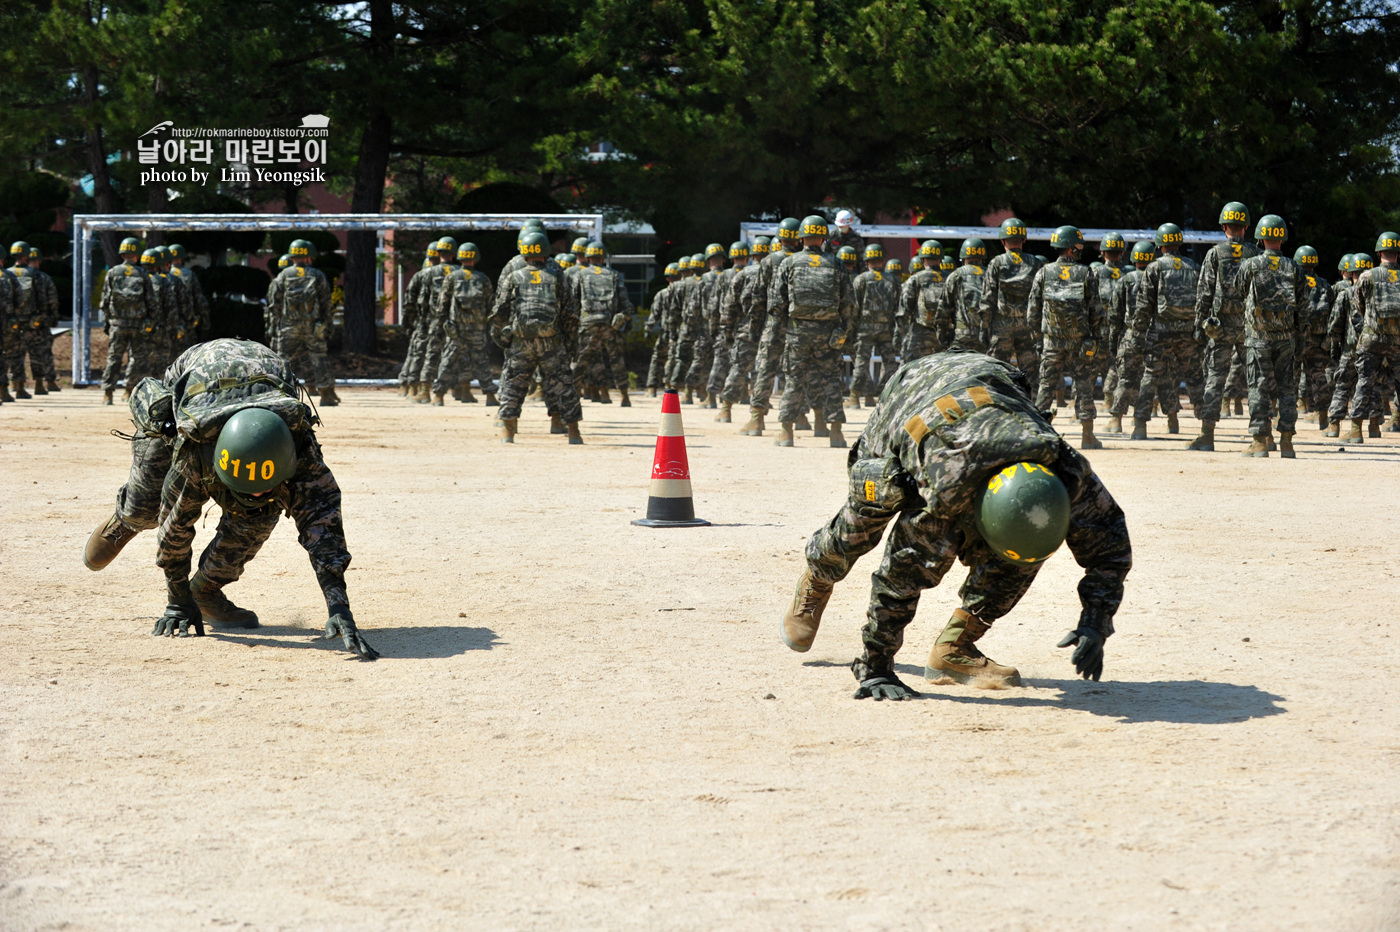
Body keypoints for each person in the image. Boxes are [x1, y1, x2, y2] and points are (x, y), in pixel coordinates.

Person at [779, 352, 1131, 698]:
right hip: (912, 395)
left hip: (989, 382)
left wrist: (1095, 620)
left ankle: (955, 649)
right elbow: (898, 579)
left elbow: (1109, 547)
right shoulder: (946, 493)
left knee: (1022, 551)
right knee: (864, 518)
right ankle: (818, 576)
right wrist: (876, 667)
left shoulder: (1064, 470)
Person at [81, 338, 378, 658]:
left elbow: (323, 525)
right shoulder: (197, 451)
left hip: (261, 389)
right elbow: (175, 527)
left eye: (267, 484)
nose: (259, 493)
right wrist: (177, 602)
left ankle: (206, 591)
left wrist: (338, 606)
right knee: (150, 506)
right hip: (191, 405)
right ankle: (127, 519)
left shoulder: (298, 448)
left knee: (259, 513)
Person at [767, 215, 855, 448]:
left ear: (801, 237)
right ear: (823, 238)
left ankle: (786, 433)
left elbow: (777, 304)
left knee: (794, 380)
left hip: (797, 334)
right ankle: (835, 433)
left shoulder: (789, 263)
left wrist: (778, 335)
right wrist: (842, 332)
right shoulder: (836, 263)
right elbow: (848, 304)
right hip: (828, 335)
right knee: (831, 381)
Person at [488, 230, 583, 444]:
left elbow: (499, 310)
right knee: (563, 385)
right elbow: (570, 313)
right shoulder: (557, 274)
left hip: (521, 341)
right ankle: (574, 432)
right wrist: (568, 342)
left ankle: (508, 432)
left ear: (524, 255)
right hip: (552, 341)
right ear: (546, 254)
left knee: (514, 384)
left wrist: (502, 339)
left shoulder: (514, 275)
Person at [1188, 202, 1261, 451]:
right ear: (1247, 227)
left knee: (1215, 379)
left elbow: (1204, 293)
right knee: (1255, 379)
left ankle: (1207, 435)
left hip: (1220, 327)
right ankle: (1262, 437)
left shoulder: (1215, 254)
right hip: (1250, 326)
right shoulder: (1255, 254)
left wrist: (1200, 325)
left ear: (1223, 226)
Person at [1232, 215, 1305, 456]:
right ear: (1282, 238)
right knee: (1287, 388)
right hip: (1285, 337)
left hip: (1258, 336)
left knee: (1258, 386)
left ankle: (1260, 441)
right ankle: (1287, 442)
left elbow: (1241, 292)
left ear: (1261, 238)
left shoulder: (1250, 265)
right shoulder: (1293, 267)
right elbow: (1302, 302)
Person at [1026, 225, 1104, 449]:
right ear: (1071, 248)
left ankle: (1039, 435)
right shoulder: (1086, 272)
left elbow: (1033, 310)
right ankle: (1087, 435)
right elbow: (1096, 310)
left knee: (1046, 386)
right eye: (1078, 245)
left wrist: (1038, 338)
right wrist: (1095, 338)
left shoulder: (1044, 272)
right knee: (1084, 385)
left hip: (1052, 340)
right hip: (1080, 340)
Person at [1126, 223, 1198, 440]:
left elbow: (1144, 305)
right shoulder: (1193, 266)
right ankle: (1207, 428)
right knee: (1195, 377)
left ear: (1159, 244)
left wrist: (1138, 335)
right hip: (1187, 331)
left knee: (1150, 376)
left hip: (1160, 331)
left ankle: (1140, 425)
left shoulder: (1154, 268)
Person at [745, 219, 803, 435]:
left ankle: (757, 418)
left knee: (766, 370)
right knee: (796, 370)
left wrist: (755, 326)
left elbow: (757, 297)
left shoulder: (769, 261)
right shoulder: (802, 260)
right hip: (798, 325)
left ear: (780, 237)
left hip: (773, 324)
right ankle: (800, 416)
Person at [266, 239, 339, 406]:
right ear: (309, 257)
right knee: (319, 357)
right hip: (313, 325)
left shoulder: (283, 275)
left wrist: (276, 325)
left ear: (292, 256)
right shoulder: (317, 275)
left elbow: (274, 303)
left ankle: (279, 394)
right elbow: (326, 303)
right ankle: (326, 394)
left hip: (289, 325)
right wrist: (328, 324)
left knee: (283, 360)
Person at [1344, 232, 1400, 442]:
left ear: (1378, 252)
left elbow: (1357, 304)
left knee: (1365, 381)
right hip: (1398, 340)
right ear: (1398, 254)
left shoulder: (1368, 276)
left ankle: (1356, 429)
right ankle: (1396, 419)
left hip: (1372, 337)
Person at [979, 218, 1043, 395]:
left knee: (995, 372)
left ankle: (996, 406)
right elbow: (1040, 298)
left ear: (1002, 241)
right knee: (1031, 373)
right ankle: (1034, 410)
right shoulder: (1036, 263)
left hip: (1002, 327)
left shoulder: (996, 263)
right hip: (1027, 327)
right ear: (1024, 240)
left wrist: (984, 327)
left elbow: (988, 298)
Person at [432, 242, 498, 406]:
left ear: (459, 257)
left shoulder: (452, 277)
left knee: (447, 360)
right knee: (481, 361)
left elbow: (442, 304)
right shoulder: (482, 278)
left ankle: (438, 396)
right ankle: (490, 395)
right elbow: (492, 304)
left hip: (456, 328)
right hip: (477, 328)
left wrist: (443, 323)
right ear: (475, 259)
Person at [98, 238, 163, 404]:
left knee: (114, 359)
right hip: (138, 325)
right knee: (139, 360)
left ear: (122, 254)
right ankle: (131, 392)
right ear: (136, 255)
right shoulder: (142, 274)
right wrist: (150, 322)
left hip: (117, 325)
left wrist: (108, 323)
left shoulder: (112, 273)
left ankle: (108, 394)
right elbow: (152, 303)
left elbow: (105, 301)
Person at [570, 240, 634, 406]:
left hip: (587, 323)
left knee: (580, 361)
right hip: (609, 324)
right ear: (603, 257)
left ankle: (572, 395)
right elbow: (626, 305)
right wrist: (622, 318)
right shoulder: (614, 274)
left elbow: (573, 303)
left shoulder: (580, 275)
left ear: (588, 257)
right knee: (616, 360)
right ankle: (624, 396)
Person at [1103, 241, 1156, 434]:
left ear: (1133, 258)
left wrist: (1113, 343)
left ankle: (1116, 420)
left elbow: (1115, 316)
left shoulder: (1125, 280)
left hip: (1130, 336)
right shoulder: (1157, 279)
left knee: (1124, 379)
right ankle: (1140, 425)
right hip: (1153, 336)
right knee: (1147, 380)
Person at [847, 242, 900, 407]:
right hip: (887, 329)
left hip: (865, 329)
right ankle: (881, 393)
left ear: (866, 261)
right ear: (883, 261)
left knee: (861, 363)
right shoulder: (893, 280)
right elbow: (899, 307)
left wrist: (852, 328)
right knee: (891, 363)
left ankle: (855, 397)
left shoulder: (860, 279)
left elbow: (854, 307)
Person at [5, 241, 60, 397]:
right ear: (27, 255)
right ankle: (39, 385)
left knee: (15, 354)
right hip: (34, 322)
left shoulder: (6, 274)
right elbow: (49, 299)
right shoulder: (38, 275)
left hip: (13, 322)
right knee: (37, 353)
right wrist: (46, 317)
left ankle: (18, 385)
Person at [1325, 254, 1366, 437]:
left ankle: (1334, 425)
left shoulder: (1346, 294)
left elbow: (1335, 323)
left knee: (1342, 386)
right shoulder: (1374, 291)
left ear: (1350, 272)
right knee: (1368, 386)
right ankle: (1372, 426)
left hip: (1350, 348)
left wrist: (1334, 344)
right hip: (1371, 347)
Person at [1292, 246, 1332, 428]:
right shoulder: (1325, 285)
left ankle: (1284, 419)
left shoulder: (1293, 282)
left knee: (1290, 379)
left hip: (1296, 339)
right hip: (1318, 341)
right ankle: (1323, 418)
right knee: (1319, 379)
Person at [715, 241, 754, 422]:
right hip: (768, 329)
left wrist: (726, 331)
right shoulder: (765, 272)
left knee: (737, 367)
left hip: (743, 330)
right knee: (766, 371)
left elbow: (723, 306)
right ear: (747, 257)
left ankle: (726, 409)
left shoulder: (726, 276)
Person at [400, 242, 440, 398]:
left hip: (423, 322)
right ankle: (411, 386)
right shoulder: (449, 273)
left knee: (417, 353)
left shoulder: (420, 275)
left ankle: (410, 386)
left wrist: (407, 323)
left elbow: (409, 302)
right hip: (435, 322)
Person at [935, 237, 988, 353]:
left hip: (962, 336)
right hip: (986, 335)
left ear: (963, 258)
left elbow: (943, 311)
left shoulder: (956, 275)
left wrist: (944, 339)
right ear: (982, 257)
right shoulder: (990, 274)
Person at [898, 240, 946, 361]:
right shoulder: (951, 277)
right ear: (941, 259)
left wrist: (901, 335)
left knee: (914, 371)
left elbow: (904, 310)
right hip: (944, 334)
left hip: (919, 334)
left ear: (922, 260)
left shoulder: (915, 279)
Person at [1094, 233, 1128, 408]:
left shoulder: (1094, 273)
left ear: (1102, 252)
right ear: (1122, 252)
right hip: (1121, 331)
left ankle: (1079, 409)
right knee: (1116, 367)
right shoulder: (1128, 274)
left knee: (1091, 366)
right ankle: (1110, 401)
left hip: (1098, 329)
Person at [167, 244, 210, 354]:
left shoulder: (164, 275)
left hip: (167, 321)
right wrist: (205, 320)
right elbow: (200, 300)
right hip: (187, 322)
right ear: (181, 258)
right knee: (187, 355)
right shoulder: (189, 274)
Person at [645, 263, 680, 397]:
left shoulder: (662, 294)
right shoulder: (684, 291)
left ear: (667, 278)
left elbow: (654, 314)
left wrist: (648, 328)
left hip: (665, 331)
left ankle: (652, 388)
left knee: (657, 358)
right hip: (679, 332)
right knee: (674, 359)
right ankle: (669, 386)